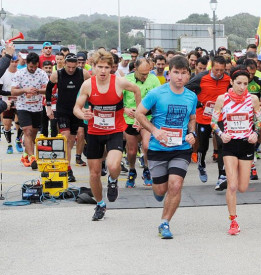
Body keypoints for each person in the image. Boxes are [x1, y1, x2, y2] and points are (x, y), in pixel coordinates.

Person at [73, 49, 141, 221]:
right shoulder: (88, 85)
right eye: (99, 67)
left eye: (106, 67)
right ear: (93, 67)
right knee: (94, 173)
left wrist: (139, 114)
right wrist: (83, 115)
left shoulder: (118, 82)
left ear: (111, 68)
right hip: (94, 132)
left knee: (112, 165)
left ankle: (113, 180)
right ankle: (100, 204)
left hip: (115, 131)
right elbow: (77, 108)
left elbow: (136, 90)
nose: (103, 71)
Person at [135, 55, 197, 239]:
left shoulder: (191, 96)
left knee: (176, 185)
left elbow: (192, 119)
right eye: (176, 73)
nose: (179, 77)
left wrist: (192, 133)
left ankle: (165, 222)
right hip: (158, 148)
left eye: (183, 73)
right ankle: (158, 190)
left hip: (181, 147)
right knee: (160, 190)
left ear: (188, 75)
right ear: (170, 74)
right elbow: (139, 114)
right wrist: (154, 131)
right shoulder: (157, 93)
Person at [211, 66, 261, 235]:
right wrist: (221, 134)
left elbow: (258, 121)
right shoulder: (222, 99)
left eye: (245, 83)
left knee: (242, 187)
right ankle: (233, 221)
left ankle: (235, 178)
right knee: (232, 186)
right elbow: (212, 122)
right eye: (238, 83)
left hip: (247, 144)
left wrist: (255, 133)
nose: (242, 87)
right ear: (231, 82)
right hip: (230, 144)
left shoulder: (253, 99)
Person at [186, 55, 231, 190]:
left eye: (221, 70)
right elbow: (187, 89)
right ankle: (201, 164)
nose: (218, 73)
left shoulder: (228, 79)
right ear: (211, 67)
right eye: (216, 70)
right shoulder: (201, 78)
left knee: (222, 143)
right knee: (203, 146)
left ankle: (222, 176)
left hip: (220, 116)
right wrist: (197, 103)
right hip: (203, 116)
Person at [46, 54, 91, 182]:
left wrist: (90, 106)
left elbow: (92, 88)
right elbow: (48, 90)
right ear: (64, 64)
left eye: (73, 67)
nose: (71, 70)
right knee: (65, 137)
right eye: (69, 67)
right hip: (62, 110)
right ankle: (67, 168)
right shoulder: (57, 74)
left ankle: (67, 165)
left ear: (77, 64)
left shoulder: (84, 73)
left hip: (77, 110)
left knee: (71, 141)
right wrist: (49, 108)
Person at [123, 57, 161, 187]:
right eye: (142, 74)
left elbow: (159, 100)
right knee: (132, 151)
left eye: (148, 73)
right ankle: (132, 170)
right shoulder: (126, 80)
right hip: (130, 119)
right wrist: (125, 109)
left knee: (146, 146)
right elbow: (118, 100)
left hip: (147, 118)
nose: (145, 76)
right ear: (135, 69)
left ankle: (147, 169)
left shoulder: (153, 79)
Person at [11, 52, 49, 169]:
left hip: (37, 107)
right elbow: (13, 91)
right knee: (27, 131)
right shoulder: (20, 73)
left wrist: (37, 91)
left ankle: (26, 153)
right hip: (23, 107)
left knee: (33, 133)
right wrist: (25, 90)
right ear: (27, 64)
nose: (33, 69)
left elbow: (47, 89)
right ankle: (33, 158)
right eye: (31, 67)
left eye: (35, 66)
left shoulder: (41, 73)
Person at [0, 54, 20, 154]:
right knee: (7, 125)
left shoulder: (20, 73)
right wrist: (11, 93)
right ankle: (9, 144)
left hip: (19, 101)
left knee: (20, 122)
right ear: (9, 63)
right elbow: (0, 91)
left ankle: (18, 140)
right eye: (12, 62)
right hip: (7, 101)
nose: (14, 64)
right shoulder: (3, 74)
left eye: (16, 62)